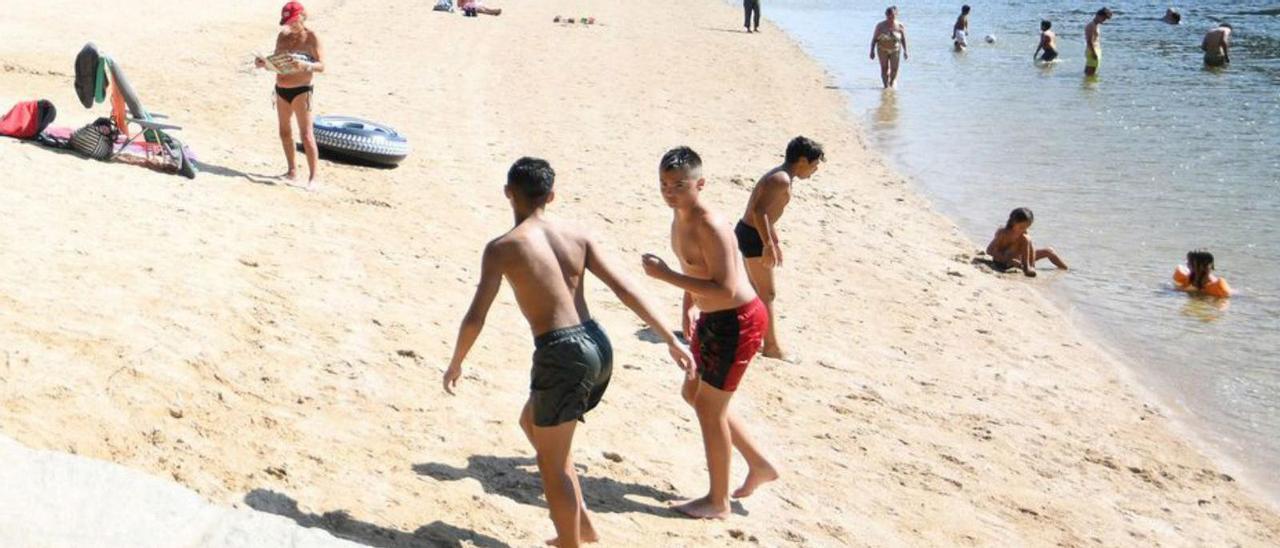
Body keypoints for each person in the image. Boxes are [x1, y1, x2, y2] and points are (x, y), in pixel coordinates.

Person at [442, 158, 694, 546]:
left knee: (551, 461)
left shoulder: (502, 248)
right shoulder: (577, 235)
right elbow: (625, 289)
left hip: (562, 352)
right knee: (534, 426)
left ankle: (569, 541)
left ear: (509, 192)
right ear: (552, 195)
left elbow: (477, 315)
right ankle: (584, 526)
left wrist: (457, 360)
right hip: (598, 343)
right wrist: (671, 339)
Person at [642, 147, 778, 519]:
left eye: (679, 185)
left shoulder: (710, 224)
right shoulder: (679, 216)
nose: (670, 192)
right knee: (695, 392)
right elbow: (698, 271)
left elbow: (728, 288)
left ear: (700, 184)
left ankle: (718, 502)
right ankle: (759, 464)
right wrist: (687, 304)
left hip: (738, 321)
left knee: (708, 406)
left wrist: (666, 276)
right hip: (714, 319)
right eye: (664, 185)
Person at [734, 136, 824, 360]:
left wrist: (774, 241)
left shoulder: (782, 176)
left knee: (755, 291)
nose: (815, 170)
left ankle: (748, 336)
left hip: (752, 233)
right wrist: (766, 244)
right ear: (802, 160)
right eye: (814, 165)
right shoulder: (781, 179)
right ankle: (771, 347)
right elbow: (758, 212)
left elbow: (767, 215)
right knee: (767, 293)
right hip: (752, 236)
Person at [255, 2, 325, 189]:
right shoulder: (283, 36)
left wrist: (305, 66)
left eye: (294, 20)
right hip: (281, 88)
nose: (291, 25)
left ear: (302, 16)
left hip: (301, 90)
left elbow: (321, 66)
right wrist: (264, 63)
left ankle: (313, 177)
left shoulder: (311, 37)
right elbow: (278, 60)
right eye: (288, 22)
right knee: (284, 132)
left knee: (306, 134)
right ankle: (292, 171)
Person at [985, 207, 1068, 277]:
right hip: (1002, 260)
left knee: (1049, 251)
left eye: (1027, 227)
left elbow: (1030, 248)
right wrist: (1008, 260)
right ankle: (1026, 267)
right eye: (1021, 227)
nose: (1024, 229)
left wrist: (1030, 265)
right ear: (1013, 222)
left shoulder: (1024, 234)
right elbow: (989, 250)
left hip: (1020, 259)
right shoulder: (1003, 232)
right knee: (1023, 242)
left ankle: (1066, 270)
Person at [870, 6, 909, 88]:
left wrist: (906, 51)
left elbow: (903, 39)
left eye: (893, 16)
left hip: (895, 50)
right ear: (886, 15)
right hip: (882, 49)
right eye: (889, 16)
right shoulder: (880, 26)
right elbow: (874, 39)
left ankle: (891, 83)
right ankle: (886, 87)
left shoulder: (900, 26)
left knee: (894, 69)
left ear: (896, 15)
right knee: (884, 68)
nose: (891, 18)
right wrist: (872, 51)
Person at [1084, 7, 1113, 77]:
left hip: (1095, 50)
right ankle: (1088, 86)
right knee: (1090, 73)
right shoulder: (1091, 26)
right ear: (1098, 15)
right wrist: (1093, 53)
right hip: (1092, 51)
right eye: (1103, 18)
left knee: (1092, 71)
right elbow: (1089, 41)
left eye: (1105, 19)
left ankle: (1088, 85)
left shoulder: (1096, 25)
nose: (1104, 20)